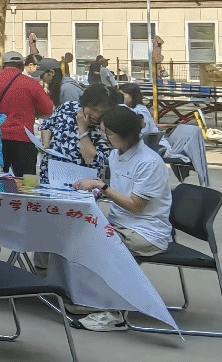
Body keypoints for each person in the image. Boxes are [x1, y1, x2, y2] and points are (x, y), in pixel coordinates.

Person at [73, 105, 172, 332]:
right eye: (103, 132)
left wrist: (102, 187)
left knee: (100, 244)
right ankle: (84, 298)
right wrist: (95, 190)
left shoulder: (148, 162)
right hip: (122, 224)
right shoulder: (116, 154)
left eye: (108, 133)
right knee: (75, 231)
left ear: (125, 135)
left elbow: (136, 206)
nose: (104, 138)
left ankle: (114, 314)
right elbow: (117, 191)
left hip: (146, 231)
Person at [0, 50, 54, 176]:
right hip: (24, 139)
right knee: (26, 183)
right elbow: (48, 110)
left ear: (3, 66)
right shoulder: (32, 84)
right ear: (22, 66)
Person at [38, 83, 114, 183]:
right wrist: (46, 143)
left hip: (80, 183)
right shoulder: (68, 107)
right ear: (84, 104)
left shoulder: (106, 128)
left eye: (102, 112)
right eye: (94, 110)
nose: (97, 115)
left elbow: (91, 160)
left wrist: (82, 129)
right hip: (49, 175)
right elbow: (47, 125)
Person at [119, 82, 165, 148]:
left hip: (155, 146)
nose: (120, 97)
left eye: (123, 94)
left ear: (132, 95)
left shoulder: (141, 111)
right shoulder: (132, 108)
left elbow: (143, 133)